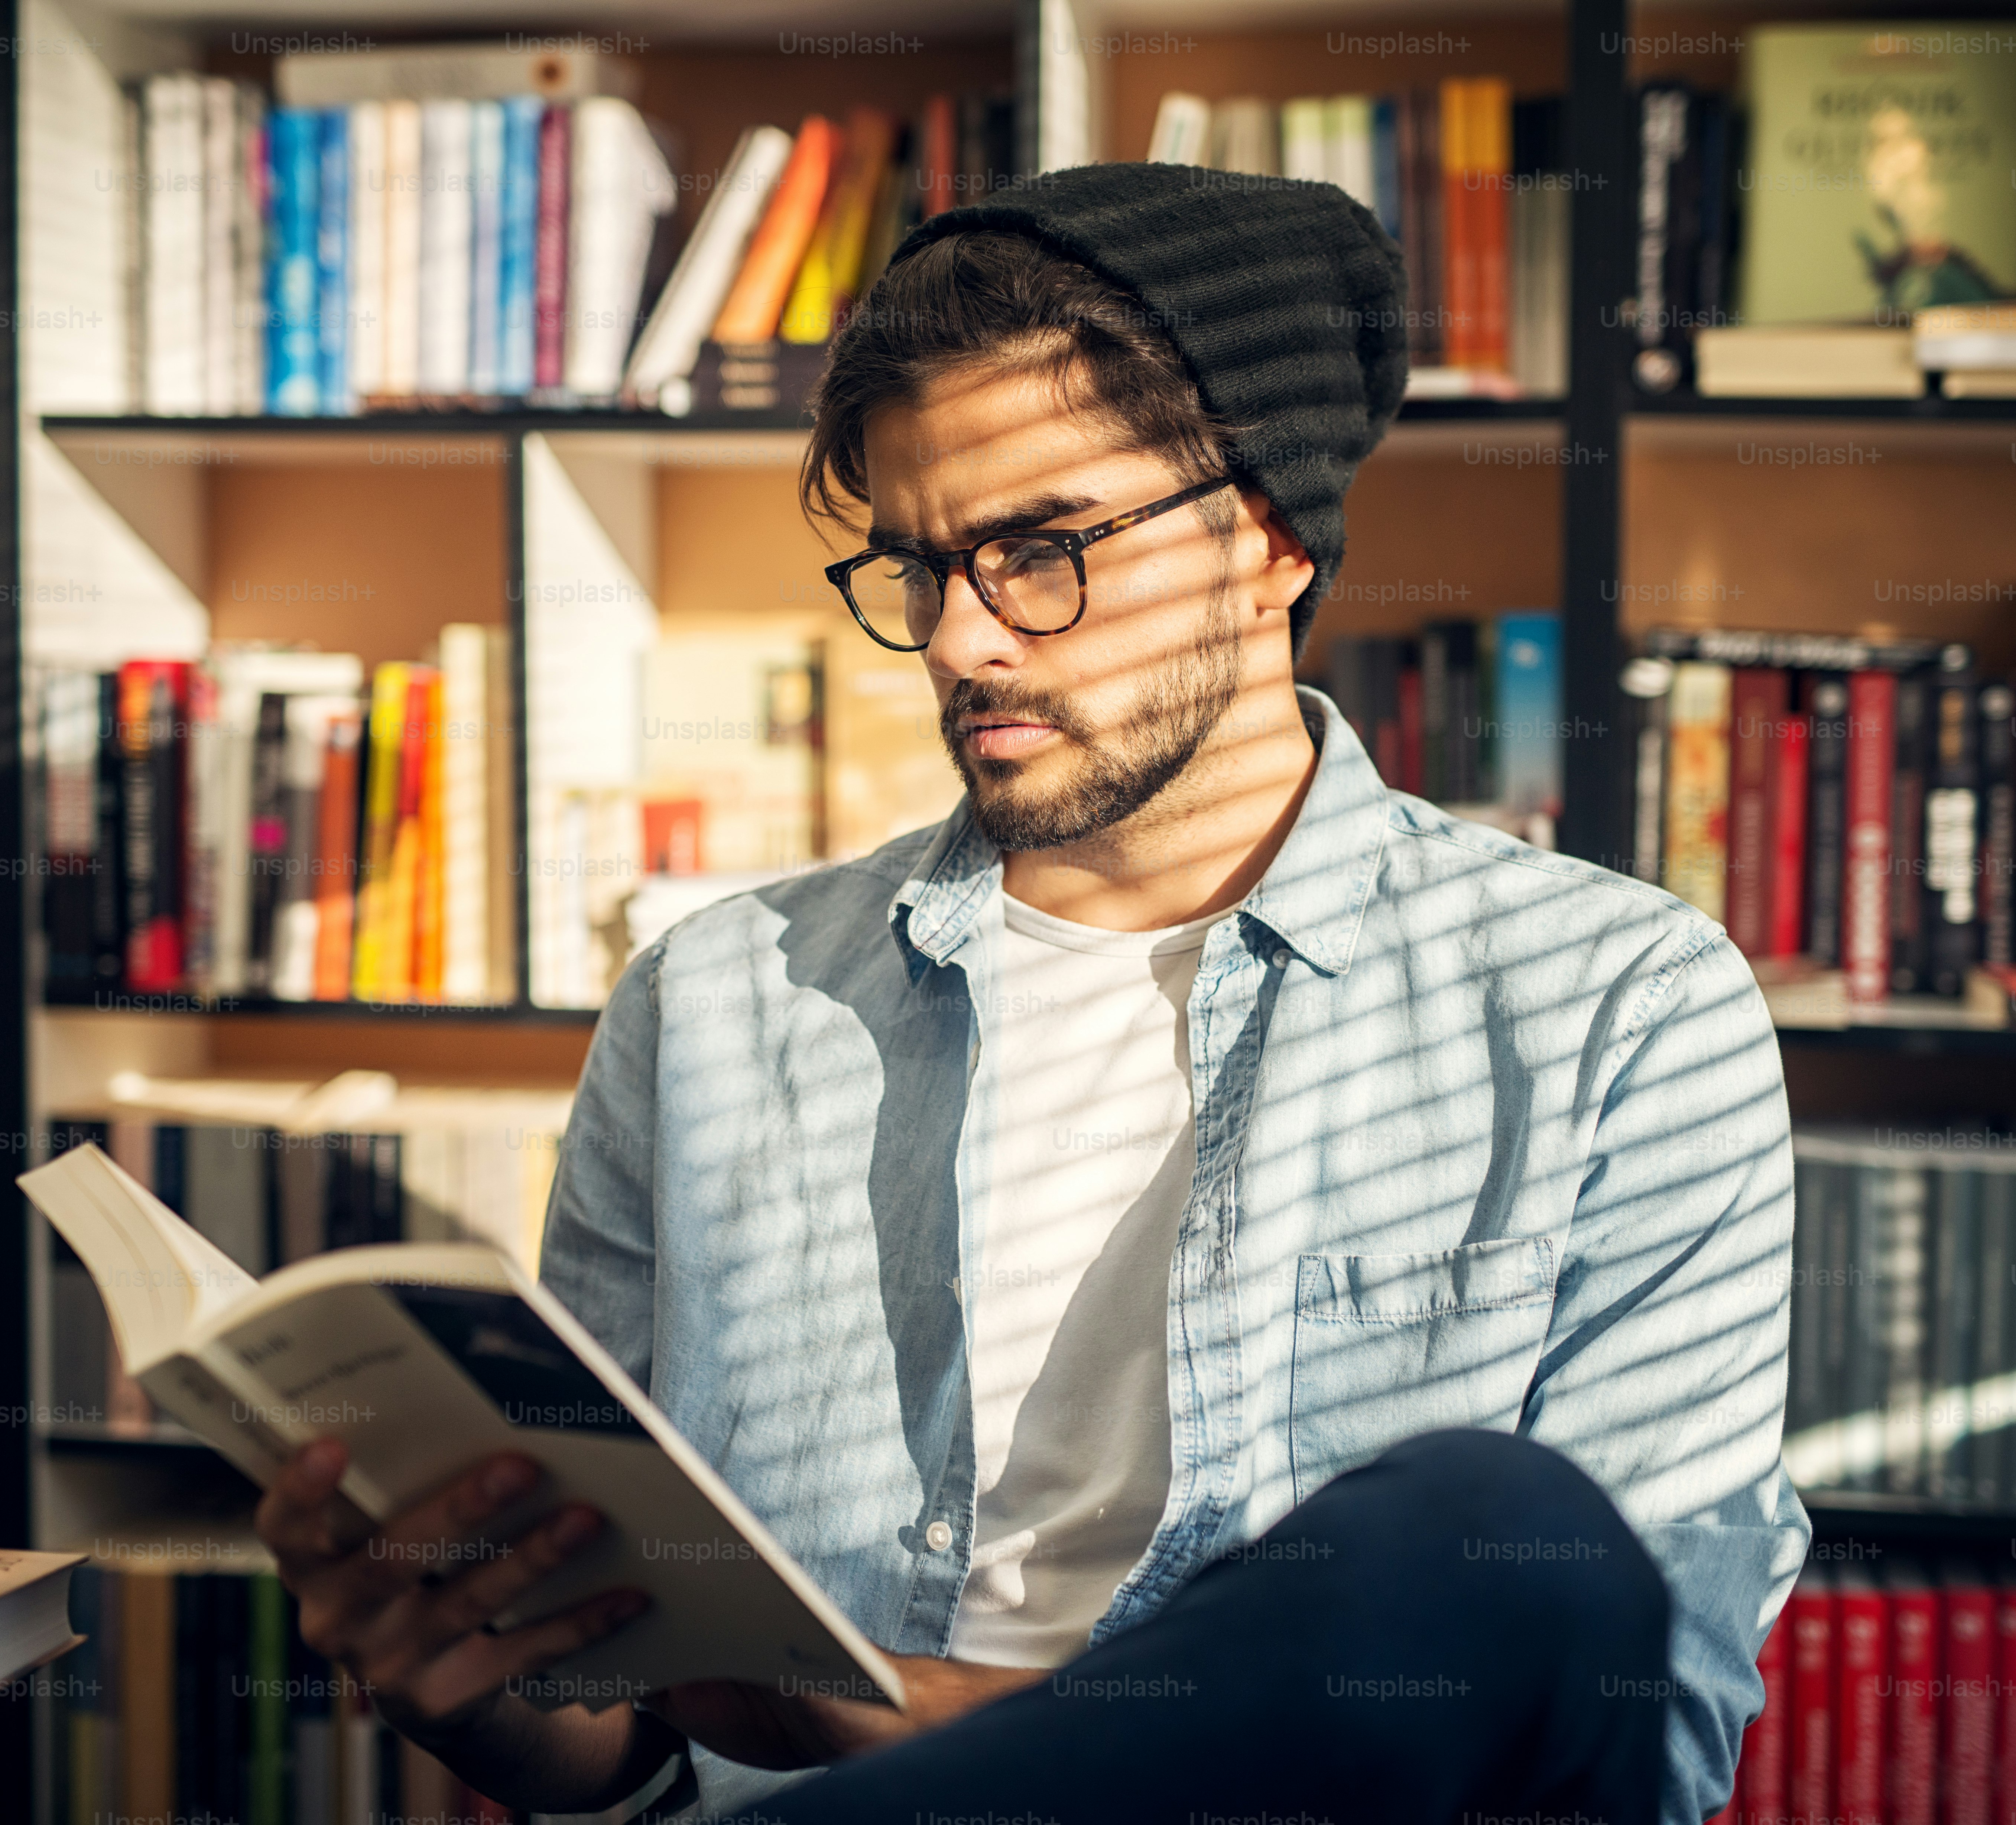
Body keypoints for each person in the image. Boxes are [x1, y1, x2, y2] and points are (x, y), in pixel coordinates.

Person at [257, 163, 1806, 1823]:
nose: (961, 643)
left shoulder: (1616, 1006)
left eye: (1041, 551)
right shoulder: (714, 1006)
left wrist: (882, 1718)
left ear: (1267, 535)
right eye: (921, 568)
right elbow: (630, 1747)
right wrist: (491, 1698)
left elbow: (1635, 1734)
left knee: (1505, 1546)